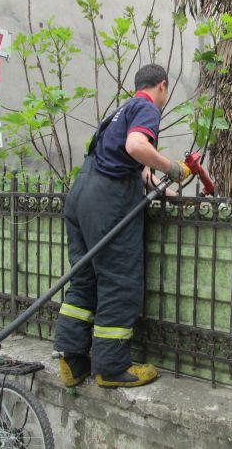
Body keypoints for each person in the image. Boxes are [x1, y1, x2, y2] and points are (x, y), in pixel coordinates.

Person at [53, 64, 190, 388]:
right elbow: (136, 148)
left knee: (84, 279)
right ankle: (111, 368)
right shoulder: (146, 105)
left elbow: (125, 160)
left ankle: (72, 363)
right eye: (166, 92)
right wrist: (173, 168)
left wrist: (156, 182)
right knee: (119, 281)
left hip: (81, 194)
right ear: (162, 86)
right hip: (108, 202)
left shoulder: (119, 111)